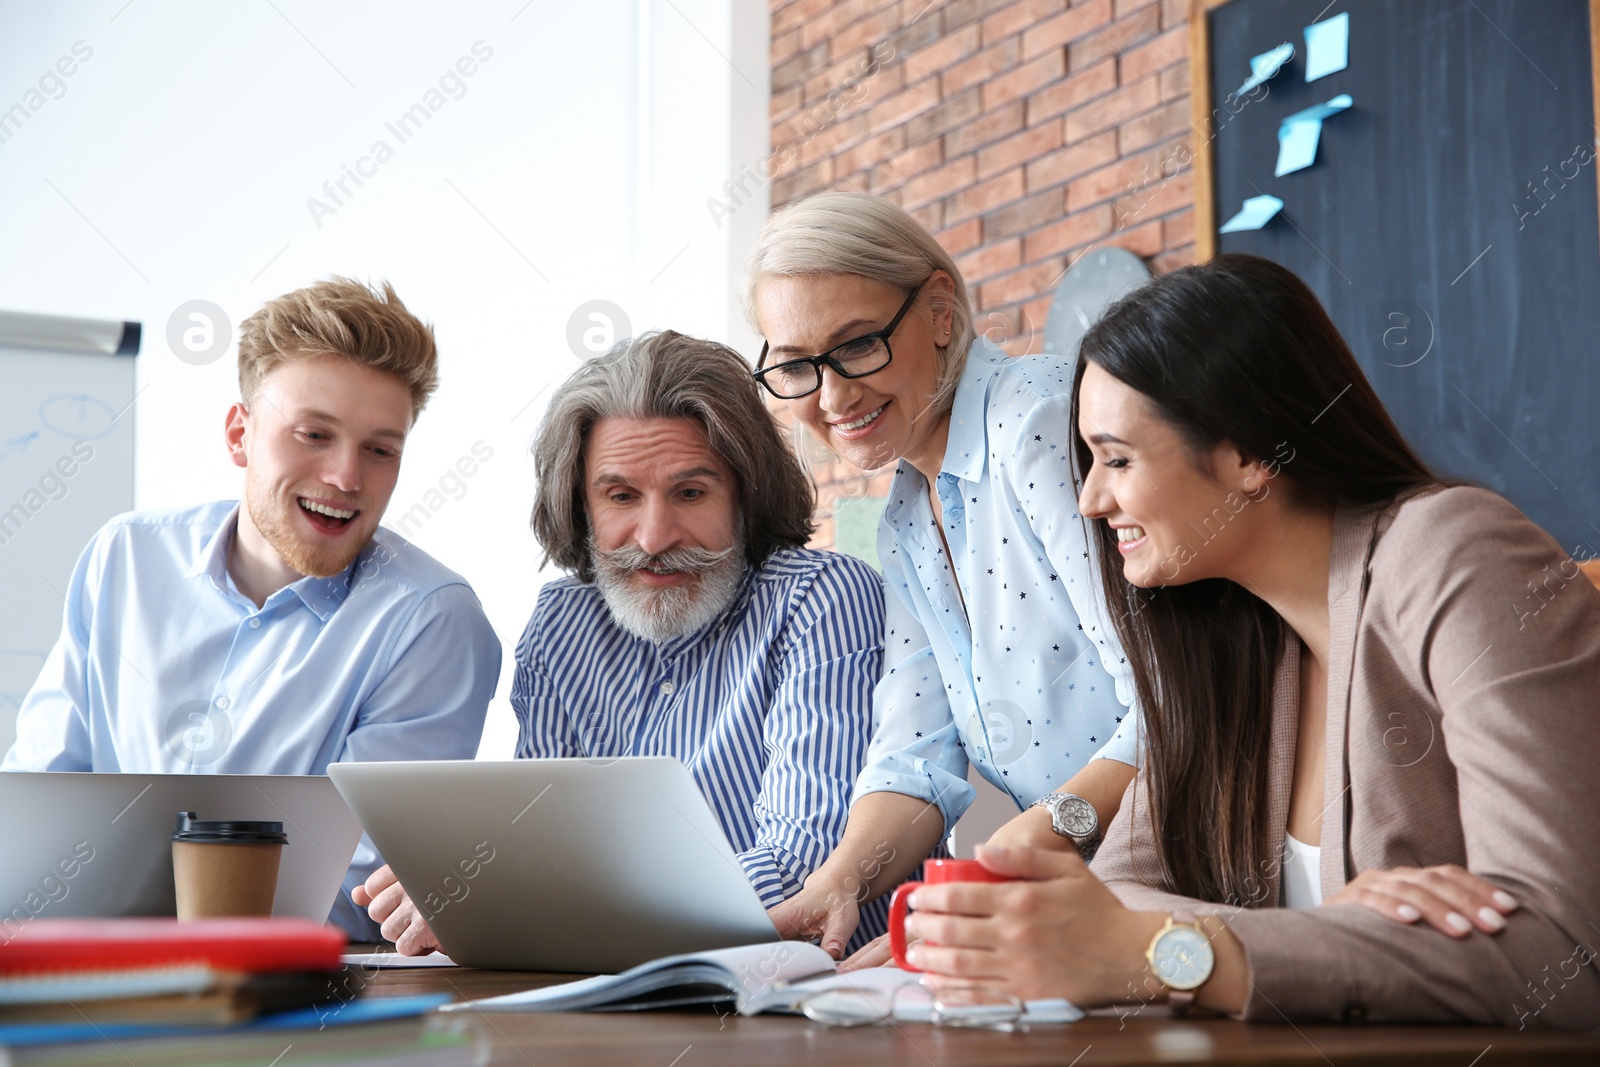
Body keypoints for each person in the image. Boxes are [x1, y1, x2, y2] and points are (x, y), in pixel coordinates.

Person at [896, 254, 1600, 1029]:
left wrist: (1173, 953)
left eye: (1118, 458)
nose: (1091, 499)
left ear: (1251, 455)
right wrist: (1338, 930)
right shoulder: (1226, 640)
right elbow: (1123, 889)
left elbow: (1566, 955)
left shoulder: (1454, 554)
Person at [354, 331, 890, 954]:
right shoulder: (561, 627)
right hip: (625, 1007)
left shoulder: (823, 598)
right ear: (580, 507)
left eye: (691, 492)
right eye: (621, 496)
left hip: (819, 1011)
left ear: (746, 494)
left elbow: (803, 868)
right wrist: (472, 888)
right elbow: (544, 847)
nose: (655, 536)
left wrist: (520, 900)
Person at [3, 278, 501, 936]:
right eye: (314, 434)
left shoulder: (429, 620)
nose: (347, 477)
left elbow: (362, 890)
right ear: (240, 434)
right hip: (87, 980)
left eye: (381, 449)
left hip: (289, 1008)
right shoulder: (123, 558)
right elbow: (39, 809)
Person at [746, 191, 1142, 962]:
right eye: (796, 365)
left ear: (937, 310)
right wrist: (841, 882)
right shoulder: (904, 512)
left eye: (857, 345)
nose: (832, 396)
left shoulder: (1036, 422)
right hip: (1090, 889)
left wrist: (1008, 859)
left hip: (1188, 878)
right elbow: (917, 754)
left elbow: (1168, 703)